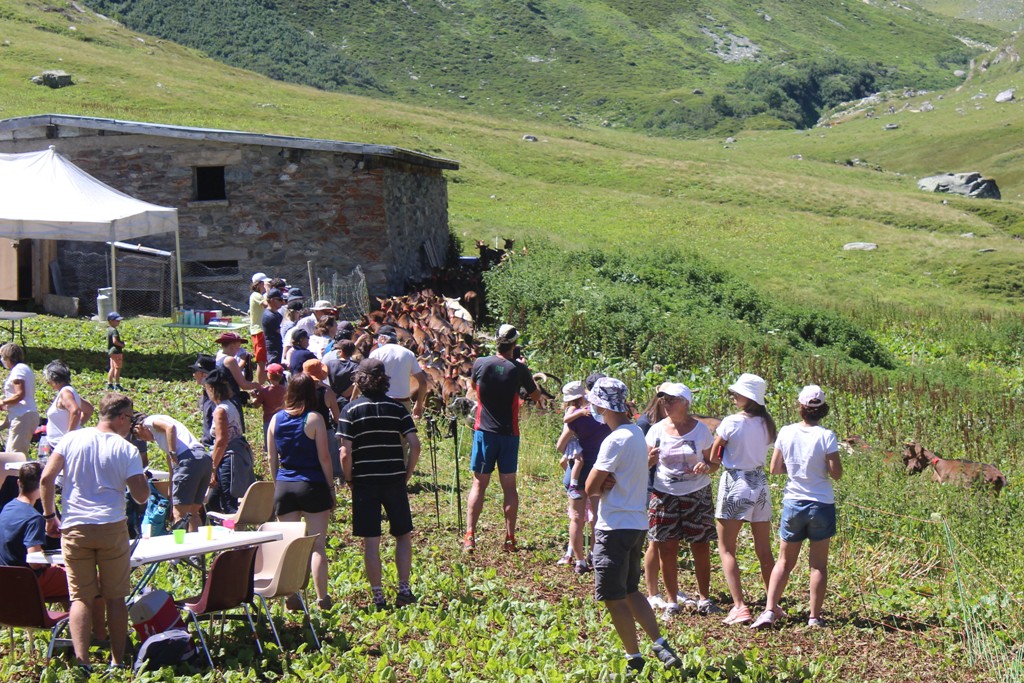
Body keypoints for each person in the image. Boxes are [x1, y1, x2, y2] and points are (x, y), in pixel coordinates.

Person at [40, 393, 149, 672]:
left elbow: (46, 478)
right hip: (111, 527)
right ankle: (117, 662)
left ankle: (83, 663)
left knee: (80, 597)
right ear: (122, 417)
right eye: (131, 419)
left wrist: (50, 515)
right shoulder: (126, 449)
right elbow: (140, 496)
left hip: (75, 526)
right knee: (115, 597)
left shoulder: (71, 438)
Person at [583, 377, 681, 674]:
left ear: (601, 405)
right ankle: (660, 643)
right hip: (637, 524)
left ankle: (633, 658)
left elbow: (589, 487)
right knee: (631, 590)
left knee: (612, 597)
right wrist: (608, 479)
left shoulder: (614, 439)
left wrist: (602, 481)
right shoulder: (638, 433)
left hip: (614, 525)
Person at [752, 385, 841, 629]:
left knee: (784, 562)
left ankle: (770, 610)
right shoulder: (827, 436)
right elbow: (836, 473)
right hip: (821, 503)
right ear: (822, 410)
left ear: (800, 407)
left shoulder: (787, 432)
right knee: (818, 564)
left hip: (794, 501)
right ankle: (814, 617)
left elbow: (775, 468)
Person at [338, 358, 420, 610]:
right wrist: (407, 473)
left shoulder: (350, 411)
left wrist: (349, 478)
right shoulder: (397, 409)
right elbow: (415, 445)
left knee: (371, 541)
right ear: (384, 380)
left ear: (360, 381)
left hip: (364, 480)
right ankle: (404, 590)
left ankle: (378, 596)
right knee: (403, 536)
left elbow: (344, 452)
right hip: (393, 478)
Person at [463, 324, 541, 553]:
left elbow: (473, 386)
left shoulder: (480, 363)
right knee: (509, 487)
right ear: (514, 345)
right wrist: (524, 371)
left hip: (484, 433)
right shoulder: (518, 369)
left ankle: (470, 535)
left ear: (496, 341)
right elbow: (536, 396)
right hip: (509, 434)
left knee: (479, 484)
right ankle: (509, 538)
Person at [644, 382, 720, 616]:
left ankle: (705, 598)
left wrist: (705, 467)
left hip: (696, 494)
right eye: (663, 400)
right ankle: (671, 601)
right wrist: (649, 460)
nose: (666, 404)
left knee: (700, 546)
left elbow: (714, 463)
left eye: (671, 400)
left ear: (686, 402)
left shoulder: (701, 431)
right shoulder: (655, 430)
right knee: (667, 547)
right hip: (664, 493)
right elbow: (643, 464)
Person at [711, 373, 777, 626]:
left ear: (747, 397)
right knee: (764, 550)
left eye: (737, 393)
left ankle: (739, 606)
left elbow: (716, 454)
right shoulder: (767, 424)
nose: (734, 396)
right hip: (759, 483)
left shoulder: (731, 422)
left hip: (736, 482)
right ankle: (772, 604)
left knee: (727, 547)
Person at [268, 373, 335, 609]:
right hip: (312, 484)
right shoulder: (314, 419)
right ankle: (322, 597)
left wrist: (278, 486)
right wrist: (330, 488)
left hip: (285, 485)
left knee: (290, 546)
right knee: (317, 545)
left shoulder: (275, 420)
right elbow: (324, 458)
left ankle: (291, 595)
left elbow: (271, 457)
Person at [555, 380, 610, 573]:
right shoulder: (606, 421)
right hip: (597, 472)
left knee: (576, 518)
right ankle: (595, 555)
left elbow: (560, 447)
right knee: (595, 516)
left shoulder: (575, 421)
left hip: (576, 473)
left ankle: (579, 561)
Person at [131, 413, 213, 532]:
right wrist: (171, 498)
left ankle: (181, 548)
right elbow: (172, 472)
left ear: (138, 427)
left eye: (139, 436)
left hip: (188, 460)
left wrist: (173, 452)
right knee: (193, 513)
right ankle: (199, 550)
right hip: (203, 458)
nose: (143, 440)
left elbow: (170, 427)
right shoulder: (167, 438)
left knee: (180, 515)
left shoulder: (149, 421)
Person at [635, 392, 671, 610]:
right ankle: (652, 592)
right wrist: (650, 460)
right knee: (655, 541)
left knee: (669, 541)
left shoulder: (673, 424)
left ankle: (670, 590)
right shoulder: (645, 423)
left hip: (671, 487)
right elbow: (638, 460)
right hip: (650, 486)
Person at [205, 369, 254, 514]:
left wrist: (212, 468)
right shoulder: (231, 404)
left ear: (212, 389)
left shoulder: (221, 410)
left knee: (228, 503)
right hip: (234, 455)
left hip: (228, 458)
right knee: (215, 500)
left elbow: (221, 440)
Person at [369, 325, 427, 419]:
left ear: (382, 338)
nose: (376, 342)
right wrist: (419, 404)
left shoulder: (376, 353)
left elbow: (367, 378)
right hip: (403, 404)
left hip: (382, 402)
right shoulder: (409, 354)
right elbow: (423, 383)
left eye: (377, 339)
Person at [40, 361, 94, 457]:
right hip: (59, 446)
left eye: (48, 380)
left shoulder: (65, 393)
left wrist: (68, 437)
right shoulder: (70, 391)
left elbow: (76, 411)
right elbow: (89, 409)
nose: (48, 383)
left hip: (60, 448)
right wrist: (78, 424)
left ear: (54, 379)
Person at [0, 342, 39, 456]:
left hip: (23, 416)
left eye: (2, 356)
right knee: (17, 454)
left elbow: (20, 395)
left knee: (14, 456)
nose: (2, 360)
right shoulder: (23, 369)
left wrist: (3, 402)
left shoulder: (18, 370)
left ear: (8, 356)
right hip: (24, 414)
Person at [253, 363, 288, 450]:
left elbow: (256, 405)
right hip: (283, 420)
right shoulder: (285, 390)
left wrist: (254, 397)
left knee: (270, 446)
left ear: (269, 376)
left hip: (268, 420)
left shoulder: (264, 391)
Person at [249, 272, 270, 384]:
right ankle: (260, 387)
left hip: (262, 330)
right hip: (258, 331)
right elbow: (267, 305)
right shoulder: (256, 295)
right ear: (258, 284)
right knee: (261, 361)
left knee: (264, 360)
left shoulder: (259, 296)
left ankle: (264, 383)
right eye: (264, 283)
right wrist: (269, 291)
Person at [261, 288, 286, 365]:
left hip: (278, 344)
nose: (282, 302)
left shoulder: (277, 314)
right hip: (272, 347)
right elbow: (281, 331)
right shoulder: (269, 316)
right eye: (279, 299)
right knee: (273, 369)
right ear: (272, 300)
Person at [105, 311, 125, 391]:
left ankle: (109, 383)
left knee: (112, 368)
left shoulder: (109, 329)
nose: (119, 322)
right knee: (117, 368)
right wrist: (122, 345)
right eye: (117, 320)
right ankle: (117, 384)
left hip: (111, 351)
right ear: (111, 321)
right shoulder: (114, 331)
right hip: (116, 351)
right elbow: (115, 341)